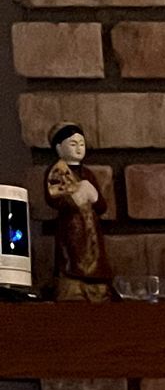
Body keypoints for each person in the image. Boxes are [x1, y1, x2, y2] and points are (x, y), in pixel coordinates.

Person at [44, 122, 111, 301]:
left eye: (81, 144)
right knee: (71, 258)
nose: (79, 148)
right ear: (59, 148)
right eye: (73, 144)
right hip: (71, 229)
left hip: (91, 231)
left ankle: (96, 286)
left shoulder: (87, 174)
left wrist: (93, 194)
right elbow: (54, 198)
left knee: (95, 256)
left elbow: (102, 206)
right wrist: (75, 195)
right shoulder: (58, 172)